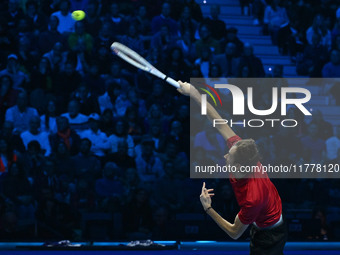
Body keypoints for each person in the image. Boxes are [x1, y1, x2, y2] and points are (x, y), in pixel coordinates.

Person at [177, 81, 287, 254]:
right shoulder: (244, 156)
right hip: (261, 219)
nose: (225, 154)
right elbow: (219, 122)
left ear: (238, 165)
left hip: (270, 236)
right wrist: (194, 94)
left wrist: (208, 208)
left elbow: (235, 232)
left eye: (229, 155)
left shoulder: (253, 197)